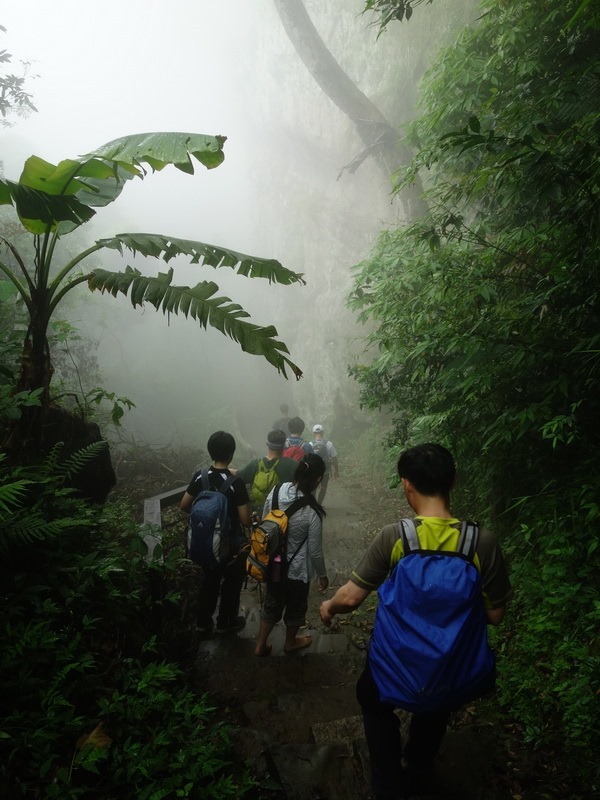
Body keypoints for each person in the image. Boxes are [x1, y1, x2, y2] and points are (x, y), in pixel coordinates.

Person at [320, 443, 512, 800]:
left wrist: (328, 607)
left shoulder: (396, 537)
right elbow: (496, 615)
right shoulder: (481, 542)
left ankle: (388, 782)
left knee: (372, 698)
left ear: (406, 484)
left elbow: (351, 597)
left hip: (395, 661)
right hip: (450, 665)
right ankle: (419, 760)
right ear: (452, 481)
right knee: (439, 697)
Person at [254, 453, 329, 657]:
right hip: (297, 569)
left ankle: (260, 644)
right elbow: (314, 550)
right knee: (296, 606)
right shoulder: (312, 511)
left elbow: (265, 524)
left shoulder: (276, 492)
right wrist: (322, 575)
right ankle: (290, 642)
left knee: (272, 601)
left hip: (273, 563)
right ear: (318, 479)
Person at [179, 431, 251, 635]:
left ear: (211, 452)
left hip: (206, 541)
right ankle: (226, 621)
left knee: (209, 580)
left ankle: (203, 622)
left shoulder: (200, 477)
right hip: (231, 545)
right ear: (232, 453)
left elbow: (184, 505)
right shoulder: (235, 483)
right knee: (232, 582)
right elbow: (245, 520)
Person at [233, 429, 299, 513]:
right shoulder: (292, 465)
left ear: (268, 444)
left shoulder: (256, 464)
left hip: (259, 511)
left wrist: (229, 469)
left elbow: (240, 474)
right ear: (284, 446)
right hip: (282, 513)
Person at [309, 424, 339, 504]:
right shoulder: (329, 444)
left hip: (314, 471)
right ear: (323, 433)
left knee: (313, 488)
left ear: (313, 433)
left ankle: (313, 505)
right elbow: (334, 458)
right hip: (325, 470)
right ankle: (319, 504)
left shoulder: (310, 445)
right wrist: (337, 471)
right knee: (323, 487)